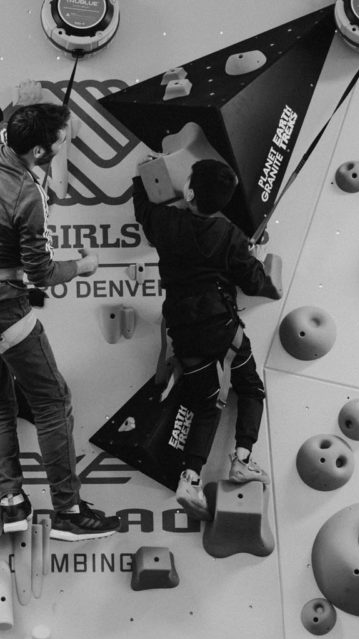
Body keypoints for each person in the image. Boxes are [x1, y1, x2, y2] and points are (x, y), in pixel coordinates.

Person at [0, 92, 120, 542]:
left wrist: (31, 103)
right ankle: (68, 511)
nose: (63, 144)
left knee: (0, 400)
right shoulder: (29, 195)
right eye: (60, 141)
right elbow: (40, 273)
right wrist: (83, 267)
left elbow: (11, 118)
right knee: (51, 400)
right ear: (39, 152)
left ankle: (12, 502)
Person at [131, 159, 282, 520]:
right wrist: (252, 252)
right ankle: (241, 459)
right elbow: (254, 282)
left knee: (207, 402)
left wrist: (142, 174)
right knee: (251, 389)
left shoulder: (166, 223)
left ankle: (190, 478)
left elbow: (143, 209)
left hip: (184, 331)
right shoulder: (229, 236)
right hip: (222, 329)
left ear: (190, 191)